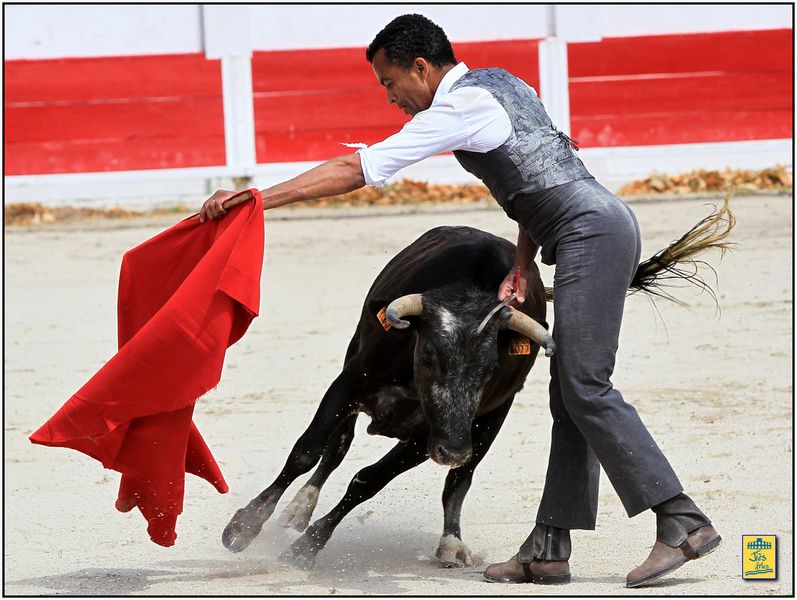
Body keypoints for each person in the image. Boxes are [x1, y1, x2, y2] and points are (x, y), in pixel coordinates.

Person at [200, 13, 721, 588]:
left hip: (587, 234)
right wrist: (521, 264)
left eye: (390, 82)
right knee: (570, 393)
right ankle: (549, 546)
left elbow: (359, 167)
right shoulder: (502, 82)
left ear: (421, 67)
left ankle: (681, 520)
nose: (392, 97)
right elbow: (543, 174)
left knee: (586, 386)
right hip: (589, 226)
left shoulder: (459, 108)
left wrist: (254, 200)